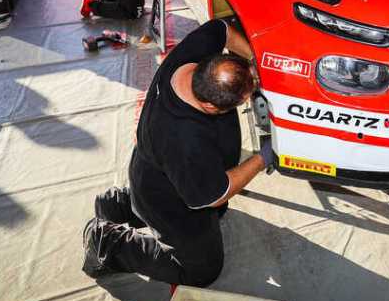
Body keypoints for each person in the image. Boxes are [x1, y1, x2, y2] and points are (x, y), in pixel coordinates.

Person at [82, 18, 275, 286]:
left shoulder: (191, 60)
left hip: (153, 170)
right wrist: (263, 158)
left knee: (207, 212)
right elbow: (214, 196)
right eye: (240, 102)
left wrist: (254, 60)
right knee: (202, 270)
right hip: (168, 200)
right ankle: (107, 242)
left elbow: (222, 30)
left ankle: (115, 205)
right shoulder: (183, 139)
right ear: (210, 107)